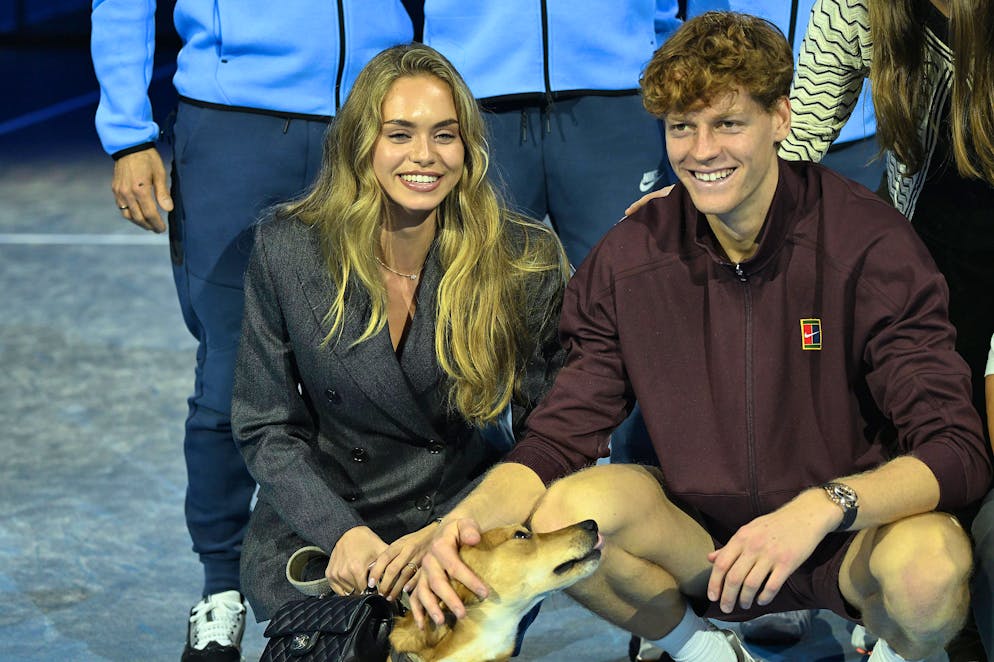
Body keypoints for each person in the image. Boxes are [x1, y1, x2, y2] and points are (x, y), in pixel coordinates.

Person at [409, 12, 993, 662]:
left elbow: (956, 448)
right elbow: (557, 437)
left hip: (842, 544)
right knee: (563, 512)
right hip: (705, 547)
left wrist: (823, 507)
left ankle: (888, 652)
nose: (702, 150)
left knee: (932, 567)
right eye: (682, 127)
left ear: (780, 118)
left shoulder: (872, 244)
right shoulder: (631, 258)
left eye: (728, 123)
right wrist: (461, 523)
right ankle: (704, 651)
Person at [90, 2, 415, 659]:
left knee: (375, 369)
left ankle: (358, 578)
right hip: (234, 126)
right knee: (229, 374)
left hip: (373, 115)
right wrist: (128, 132)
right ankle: (220, 592)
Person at [229, 42, 569, 627]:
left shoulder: (521, 257)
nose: (425, 155)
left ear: (468, 147)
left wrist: (457, 530)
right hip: (328, 523)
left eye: (444, 134)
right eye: (400, 134)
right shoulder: (288, 247)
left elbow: (552, 430)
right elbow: (265, 423)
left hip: (459, 522)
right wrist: (343, 533)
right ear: (362, 146)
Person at [421, 0, 681, 268]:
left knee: (636, 282)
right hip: (469, 95)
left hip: (621, 87)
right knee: (470, 284)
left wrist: (700, 58)